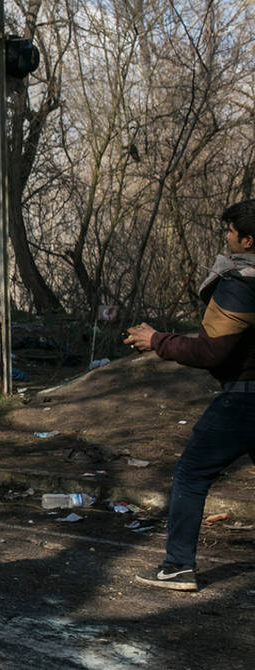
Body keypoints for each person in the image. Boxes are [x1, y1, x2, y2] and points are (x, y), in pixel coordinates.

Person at [125, 198, 255, 591]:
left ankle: (178, 566)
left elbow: (211, 350)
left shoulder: (241, 284)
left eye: (231, 232)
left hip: (244, 400)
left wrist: (156, 340)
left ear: (248, 241)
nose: (226, 237)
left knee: (190, 474)